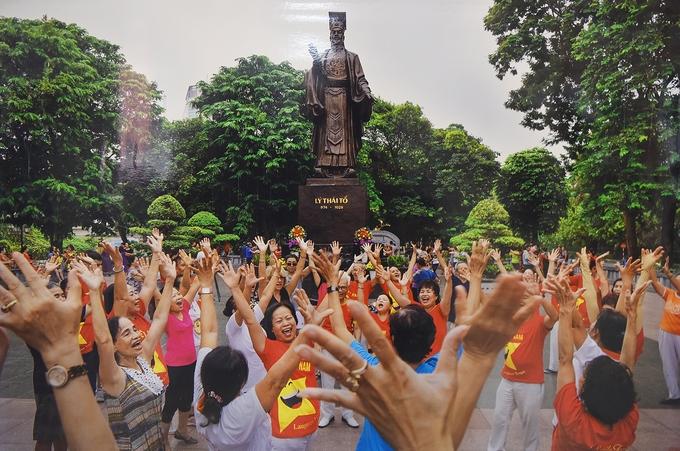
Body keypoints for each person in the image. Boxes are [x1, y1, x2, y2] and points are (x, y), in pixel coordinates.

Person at [295, 269, 540, 450]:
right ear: (432, 339)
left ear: (391, 336)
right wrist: (474, 279)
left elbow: (339, 328)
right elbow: (472, 340)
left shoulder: (372, 368)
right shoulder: (439, 373)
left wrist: (333, 285)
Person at [0, 252, 119, 450]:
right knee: (46, 436)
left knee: (65, 434)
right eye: (55, 297)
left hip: (67, 384)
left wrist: (93, 278)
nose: (60, 300)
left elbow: (92, 306)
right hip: (47, 388)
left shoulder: (68, 317)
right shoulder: (38, 326)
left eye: (62, 296)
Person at [221, 258, 331, 451]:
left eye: (289, 318)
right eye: (279, 321)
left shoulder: (306, 338)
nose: (286, 323)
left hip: (312, 425)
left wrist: (333, 284)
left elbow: (323, 308)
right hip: (285, 433)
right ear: (271, 328)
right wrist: (235, 289)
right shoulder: (267, 348)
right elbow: (249, 318)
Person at [74, 250, 176, 450]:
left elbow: (161, 318)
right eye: (127, 334)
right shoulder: (114, 375)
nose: (137, 336)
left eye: (135, 330)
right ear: (113, 345)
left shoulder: (143, 359)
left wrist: (170, 280)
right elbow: (102, 340)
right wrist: (95, 292)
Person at [545, 272, 642, 450]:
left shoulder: (573, 421)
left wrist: (566, 309)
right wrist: (632, 316)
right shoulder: (627, 422)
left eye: (585, 378)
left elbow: (565, 360)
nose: (580, 378)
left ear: (586, 393)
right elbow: (627, 366)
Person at [487, 273, 558, 451]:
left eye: (525, 298)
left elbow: (555, 316)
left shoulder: (540, 322)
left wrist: (539, 297)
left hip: (530, 383)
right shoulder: (509, 321)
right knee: (499, 419)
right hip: (507, 380)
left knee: (530, 425)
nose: (521, 301)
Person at [305, 11, 374, 178]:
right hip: (327, 98)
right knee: (326, 132)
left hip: (345, 99)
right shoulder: (324, 56)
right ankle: (323, 164)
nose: (336, 35)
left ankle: (347, 164)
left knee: (345, 134)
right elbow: (313, 75)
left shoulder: (352, 57)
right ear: (330, 35)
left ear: (343, 34)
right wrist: (315, 61)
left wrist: (367, 92)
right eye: (333, 32)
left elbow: (360, 79)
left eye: (339, 32)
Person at [161, 279, 201, 447]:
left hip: (191, 361)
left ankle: (182, 431)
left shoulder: (184, 307)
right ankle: (163, 440)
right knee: (171, 401)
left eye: (178, 294)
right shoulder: (164, 316)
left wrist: (207, 265)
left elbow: (195, 286)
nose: (178, 297)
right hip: (175, 365)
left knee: (187, 398)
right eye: (173, 295)